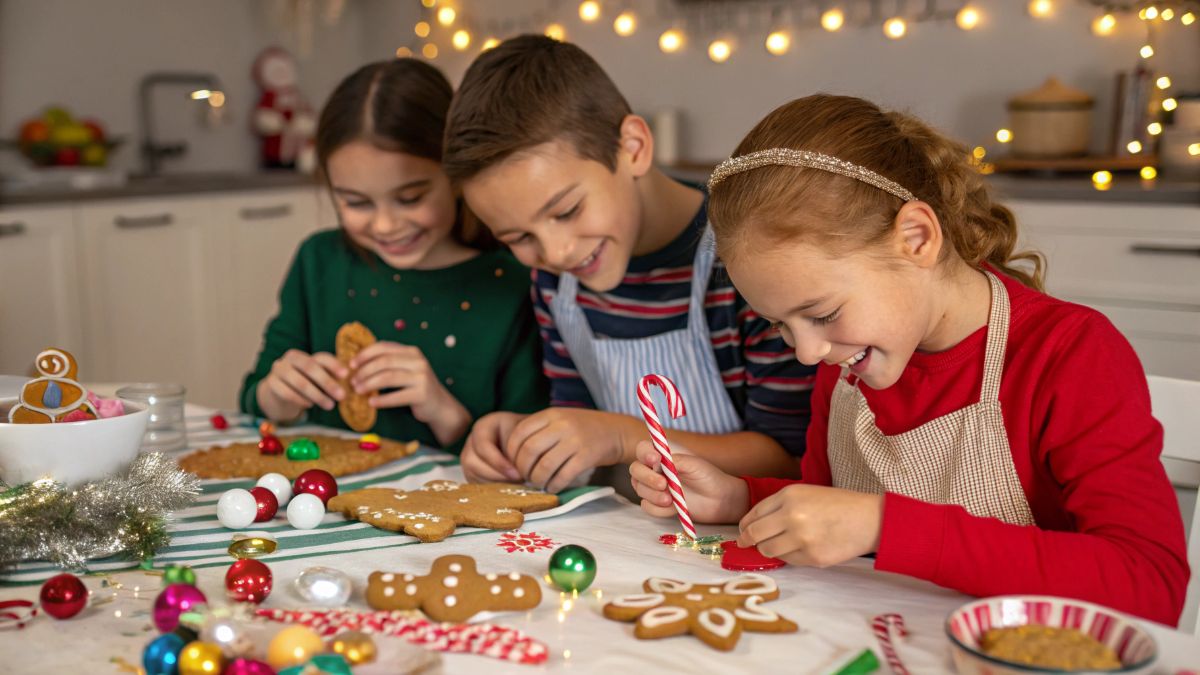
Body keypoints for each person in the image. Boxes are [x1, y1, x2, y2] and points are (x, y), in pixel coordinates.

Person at [629, 94, 1189, 625]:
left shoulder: (1069, 354)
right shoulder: (846, 360)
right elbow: (829, 513)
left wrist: (884, 526)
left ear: (917, 238)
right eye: (780, 324)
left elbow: (1150, 586)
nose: (806, 352)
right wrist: (738, 497)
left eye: (821, 314)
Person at [443, 36, 817, 494]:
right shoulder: (555, 284)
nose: (556, 253)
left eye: (566, 211)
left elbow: (787, 460)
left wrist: (622, 436)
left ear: (634, 147)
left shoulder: (745, 262)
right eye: (519, 237)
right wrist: (526, 441)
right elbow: (582, 422)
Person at [239, 58, 546, 450]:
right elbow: (252, 400)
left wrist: (444, 413)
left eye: (410, 198)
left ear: (456, 173)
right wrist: (275, 395)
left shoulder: (513, 285)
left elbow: (526, 452)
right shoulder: (319, 262)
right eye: (356, 202)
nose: (385, 225)